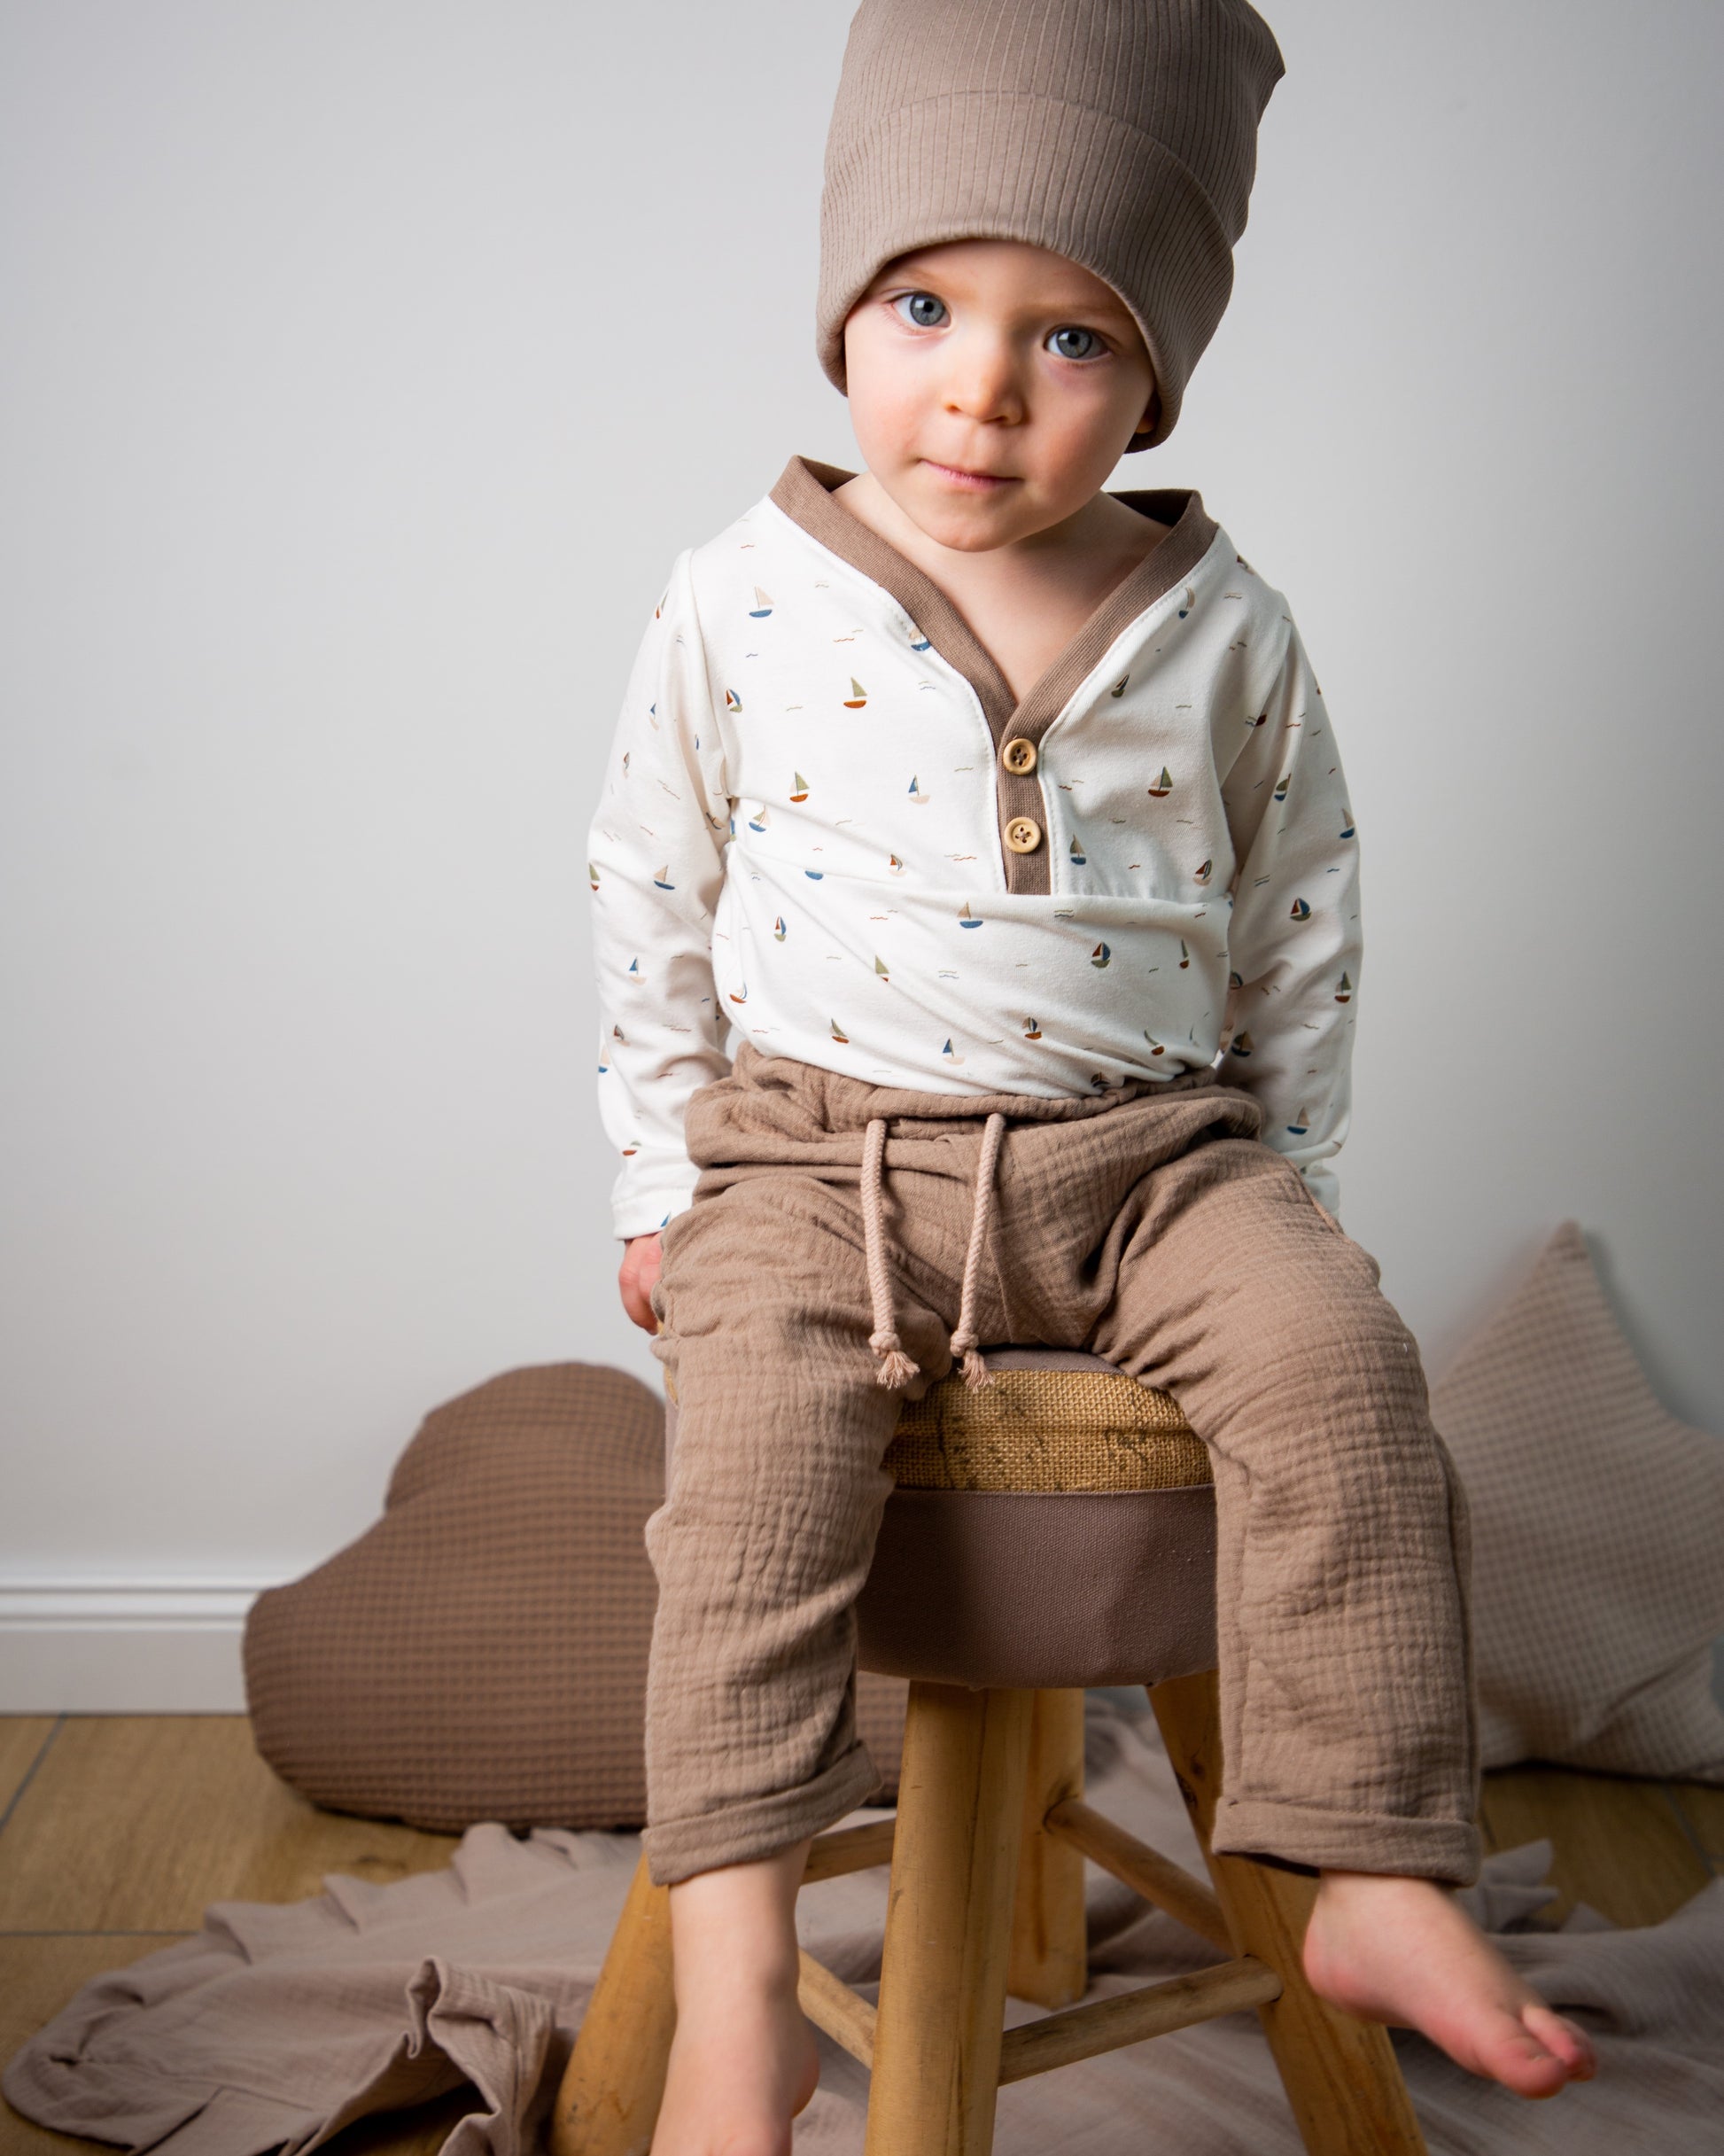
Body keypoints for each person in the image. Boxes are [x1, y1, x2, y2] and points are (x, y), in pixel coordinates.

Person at [588, 3, 1596, 2147]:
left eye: (1071, 337)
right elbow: (649, 889)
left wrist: (1291, 1182)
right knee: (746, 1487)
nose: (980, 385)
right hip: (821, 1162)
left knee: (1344, 1370)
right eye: (926, 307)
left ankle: (1374, 1855)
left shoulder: (1218, 622)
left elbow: (1302, 913)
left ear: (1154, 379)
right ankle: (743, 1980)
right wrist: (654, 1184)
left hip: (1153, 1159)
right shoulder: (742, 597)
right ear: (842, 312)